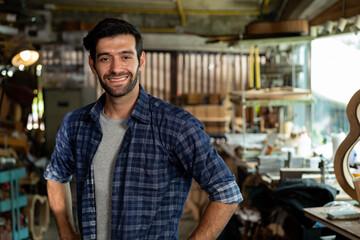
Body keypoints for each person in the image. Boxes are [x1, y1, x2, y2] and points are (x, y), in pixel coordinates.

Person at [44, 18, 242, 240]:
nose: (116, 68)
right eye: (105, 58)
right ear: (93, 64)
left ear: (141, 60)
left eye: (126, 57)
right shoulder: (75, 124)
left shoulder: (176, 126)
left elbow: (226, 192)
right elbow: (55, 176)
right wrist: (66, 233)